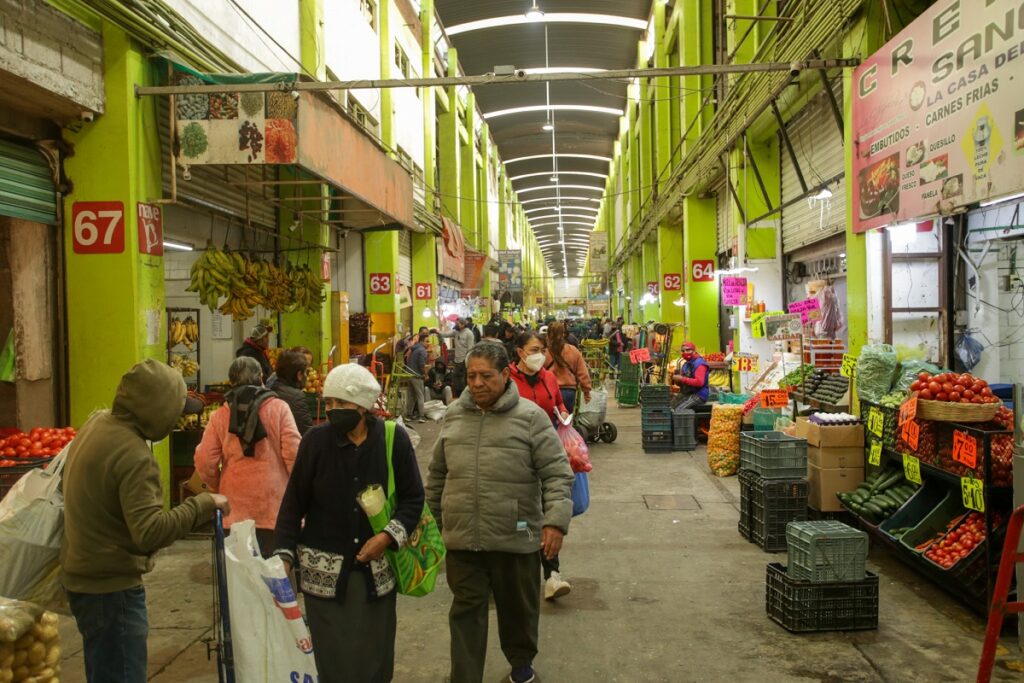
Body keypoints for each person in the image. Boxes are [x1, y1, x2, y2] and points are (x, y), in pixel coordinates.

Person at [61, 359, 231, 683]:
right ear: (156, 410)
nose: (179, 419)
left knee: (104, 671)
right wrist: (202, 504)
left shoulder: (98, 425)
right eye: (176, 411)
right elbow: (149, 532)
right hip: (111, 588)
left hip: (83, 577)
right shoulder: (134, 456)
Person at [426, 343, 574, 683]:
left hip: (515, 535)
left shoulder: (531, 417)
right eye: (471, 375)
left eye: (486, 376)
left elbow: (557, 473)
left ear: (506, 375)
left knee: (518, 609)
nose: (476, 383)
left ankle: (521, 668)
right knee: (465, 613)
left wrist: (554, 522)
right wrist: (432, 524)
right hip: (462, 536)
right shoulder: (454, 415)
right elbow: (437, 474)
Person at [274, 364, 425, 683]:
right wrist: (284, 556)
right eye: (328, 403)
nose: (332, 411)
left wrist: (386, 536)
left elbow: (413, 499)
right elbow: (292, 504)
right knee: (331, 662)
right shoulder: (315, 442)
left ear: (362, 405)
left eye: (341, 404)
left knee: (374, 659)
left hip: (377, 575)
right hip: (323, 578)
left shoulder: (392, 440)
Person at [194, 356, 300, 555]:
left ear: (231, 382)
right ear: (261, 377)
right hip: (274, 508)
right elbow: (294, 455)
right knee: (274, 577)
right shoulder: (279, 409)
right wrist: (298, 495)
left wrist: (217, 485)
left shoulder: (220, 416)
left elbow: (205, 459)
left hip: (233, 510)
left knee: (239, 579)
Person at [508, 331, 573, 601]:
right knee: (520, 515)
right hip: (515, 454)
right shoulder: (506, 380)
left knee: (548, 512)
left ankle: (552, 575)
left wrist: (564, 413)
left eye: (542, 349)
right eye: (535, 349)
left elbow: (557, 403)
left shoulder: (548, 378)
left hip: (546, 454)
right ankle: (511, 573)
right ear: (520, 352)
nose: (541, 355)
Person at [544, 321, 592, 414]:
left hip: (549, 392)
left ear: (548, 334)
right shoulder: (573, 350)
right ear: (564, 334)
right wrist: (586, 391)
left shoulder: (544, 353)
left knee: (550, 422)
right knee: (565, 423)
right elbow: (583, 373)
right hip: (568, 392)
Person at [267, 349, 315, 435]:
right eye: (306, 372)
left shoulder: (271, 388)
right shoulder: (296, 397)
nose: (306, 377)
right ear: (299, 375)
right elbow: (307, 434)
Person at [437, 318, 476, 398]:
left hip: (464, 361)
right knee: (455, 378)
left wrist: (467, 361)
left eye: (457, 323)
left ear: (463, 324)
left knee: (463, 380)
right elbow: (445, 334)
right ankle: (459, 396)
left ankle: (466, 396)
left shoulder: (469, 333)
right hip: (457, 361)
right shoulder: (456, 332)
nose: (456, 325)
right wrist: (437, 332)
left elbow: (470, 348)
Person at [671, 342, 710, 412]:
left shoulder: (700, 364)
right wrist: (677, 381)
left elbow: (699, 382)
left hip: (699, 394)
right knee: (671, 407)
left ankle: (686, 422)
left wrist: (681, 379)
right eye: (683, 351)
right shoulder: (686, 364)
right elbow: (684, 382)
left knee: (679, 410)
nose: (685, 352)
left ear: (694, 351)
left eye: (688, 350)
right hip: (688, 393)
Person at [405, 331, 429, 422]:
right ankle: (421, 416)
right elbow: (421, 365)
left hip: (409, 374)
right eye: (427, 341)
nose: (428, 343)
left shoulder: (414, 349)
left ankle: (408, 415)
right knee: (420, 396)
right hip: (416, 376)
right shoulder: (422, 350)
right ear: (421, 341)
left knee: (412, 396)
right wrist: (425, 374)